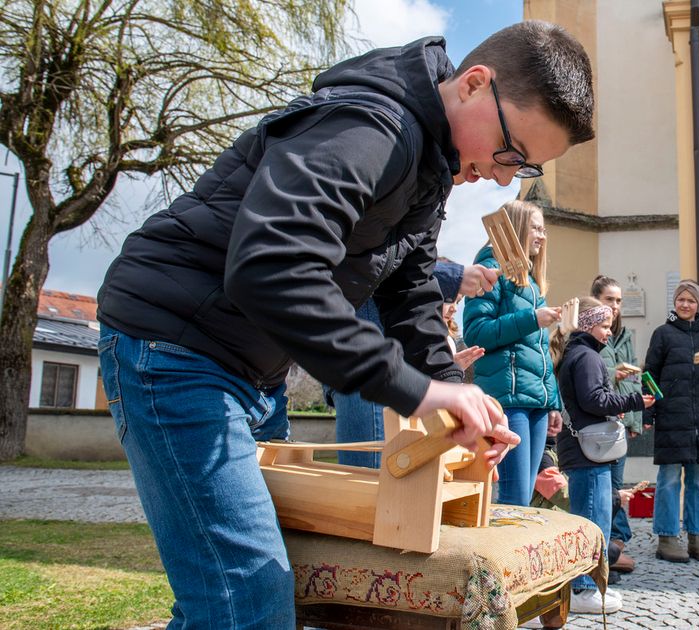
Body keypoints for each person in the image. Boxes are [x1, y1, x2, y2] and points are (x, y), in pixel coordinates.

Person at [94, 22, 593, 628]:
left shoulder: (428, 165)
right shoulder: (372, 126)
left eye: (524, 168)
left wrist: (451, 391)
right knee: (247, 599)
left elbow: (407, 290)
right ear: (474, 84)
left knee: (222, 593)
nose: (503, 176)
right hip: (175, 351)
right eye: (510, 152)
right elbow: (270, 268)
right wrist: (418, 389)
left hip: (249, 370)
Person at [331, 259, 488, 469]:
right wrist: (449, 275)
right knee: (371, 479)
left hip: (380, 374)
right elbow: (378, 265)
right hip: (368, 369)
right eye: (451, 300)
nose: (453, 308)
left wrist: (450, 378)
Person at [555, 298, 654, 614]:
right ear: (588, 325)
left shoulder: (580, 353)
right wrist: (634, 401)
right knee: (592, 520)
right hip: (588, 452)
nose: (610, 333)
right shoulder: (586, 357)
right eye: (605, 325)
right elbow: (594, 399)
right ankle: (583, 588)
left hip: (585, 449)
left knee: (593, 515)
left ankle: (586, 585)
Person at [463, 199, 564, 506]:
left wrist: (552, 403)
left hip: (534, 401)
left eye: (544, 229)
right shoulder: (490, 269)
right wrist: (532, 318)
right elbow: (476, 332)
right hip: (508, 400)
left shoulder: (532, 282)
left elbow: (538, 350)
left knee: (527, 495)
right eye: (536, 227)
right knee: (516, 497)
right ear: (517, 227)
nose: (542, 236)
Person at [642, 279, 699, 563]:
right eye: (681, 299)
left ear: (698, 305)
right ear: (675, 302)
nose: (685, 304)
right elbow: (649, 375)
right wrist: (648, 411)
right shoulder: (662, 334)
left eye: (691, 300)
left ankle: (696, 537)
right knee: (668, 480)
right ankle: (667, 538)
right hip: (671, 416)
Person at [591, 275, 641, 573]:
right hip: (600, 419)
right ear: (596, 300)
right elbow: (588, 376)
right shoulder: (591, 333)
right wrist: (614, 376)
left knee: (616, 484)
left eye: (619, 300)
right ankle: (608, 546)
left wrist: (636, 419)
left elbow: (634, 379)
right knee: (604, 485)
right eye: (610, 299)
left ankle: (615, 542)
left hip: (622, 418)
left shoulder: (625, 336)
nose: (615, 306)